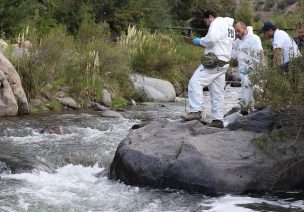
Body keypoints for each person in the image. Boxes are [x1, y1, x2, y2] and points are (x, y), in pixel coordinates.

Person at [181, 10, 235, 128]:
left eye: (206, 21)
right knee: (217, 92)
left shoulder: (216, 23)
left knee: (195, 82)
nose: (207, 24)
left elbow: (212, 39)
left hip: (214, 62)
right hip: (224, 63)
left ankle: (195, 111)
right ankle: (217, 120)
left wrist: (199, 41)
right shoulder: (230, 27)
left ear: (210, 17)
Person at [231, 22, 264, 114]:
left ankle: (250, 107)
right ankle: (247, 107)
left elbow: (258, 55)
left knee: (255, 87)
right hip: (242, 69)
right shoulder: (237, 41)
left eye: (238, 31)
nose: (237, 33)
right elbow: (233, 52)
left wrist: (252, 67)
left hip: (254, 68)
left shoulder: (254, 39)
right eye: (236, 31)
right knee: (245, 87)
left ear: (245, 29)